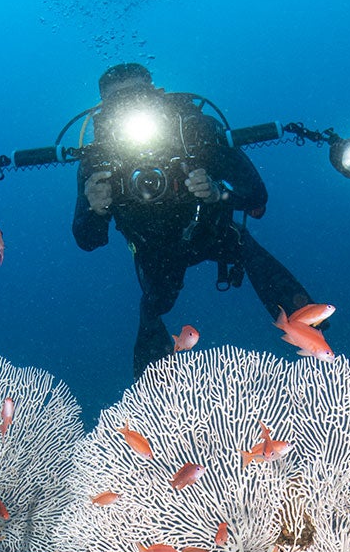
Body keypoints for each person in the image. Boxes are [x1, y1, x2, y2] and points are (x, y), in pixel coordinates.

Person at [72, 63, 316, 377]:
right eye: (119, 102)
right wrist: (96, 209)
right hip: (155, 255)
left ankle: (314, 335)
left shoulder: (197, 131)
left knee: (247, 248)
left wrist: (219, 194)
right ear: (103, 112)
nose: (131, 107)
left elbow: (257, 198)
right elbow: (87, 241)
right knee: (152, 307)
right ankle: (150, 396)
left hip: (213, 232)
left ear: (156, 95)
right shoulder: (97, 160)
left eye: (138, 96)